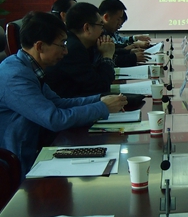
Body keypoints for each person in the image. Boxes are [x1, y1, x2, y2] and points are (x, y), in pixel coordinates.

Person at [0, 12, 127, 180]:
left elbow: (58, 103)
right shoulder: (15, 76)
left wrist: (100, 99)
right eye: (62, 44)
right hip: (16, 165)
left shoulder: (28, 67)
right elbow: (54, 118)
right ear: (40, 46)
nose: (66, 51)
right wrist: (102, 107)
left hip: (35, 150)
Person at [44, 2, 117, 98]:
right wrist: (107, 55)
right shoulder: (74, 49)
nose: (102, 30)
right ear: (87, 28)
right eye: (100, 25)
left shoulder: (77, 43)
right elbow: (100, 87)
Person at [98, 0, 148, 66]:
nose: (119, 24)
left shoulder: (108, 32)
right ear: (106, 17)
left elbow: (114, 50)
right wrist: (131, 57)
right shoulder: (98, 34)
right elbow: (107, 59)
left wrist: (128, 51)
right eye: (118, 19)